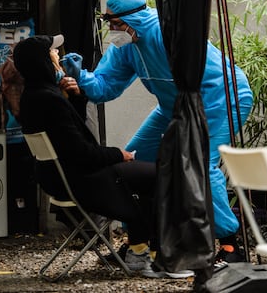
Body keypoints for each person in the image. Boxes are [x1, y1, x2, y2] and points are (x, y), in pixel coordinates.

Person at [61, 0, 254, 266]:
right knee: (133, 161)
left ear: (134, 21)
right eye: (109, 24)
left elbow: (203, 76)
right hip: (173, 105)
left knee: (200, 166)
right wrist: (79, 75)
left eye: (116, 24)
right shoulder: (125, 46)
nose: (112, 30)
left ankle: (230, 246)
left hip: (220, 98)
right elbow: (104, 89)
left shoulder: (168, 33)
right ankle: (138, 245)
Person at [13, 34, 193, 278]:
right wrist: (119, 154)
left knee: (148, 178)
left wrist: (76, 95)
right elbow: (82, 152)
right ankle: (162, 259)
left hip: (60, 178)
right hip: (83, 179)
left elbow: (69, 140)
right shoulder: (49, 100)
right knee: (163, 176)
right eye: (52, 52)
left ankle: (139, 252)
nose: (57, 54)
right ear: (43, 61)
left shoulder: (34, 96)